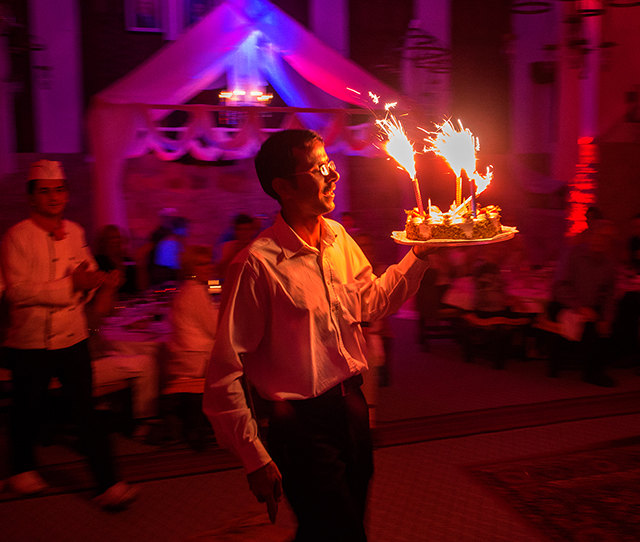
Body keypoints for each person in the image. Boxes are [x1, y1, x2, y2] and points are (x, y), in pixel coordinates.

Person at [203, 129, 433, 541]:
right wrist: (253, 456)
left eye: (331, 164)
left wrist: (418, 254)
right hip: (301, 424)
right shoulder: (256, 265)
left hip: (352, 409)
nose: (334, 175)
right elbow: (224, 371)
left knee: (333, 526)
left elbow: (371, 303)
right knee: (341, 532)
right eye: (319, 168)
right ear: (284, 187)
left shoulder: (337, 238)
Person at [0, 160, 137, 509]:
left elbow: (86, 269)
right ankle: (21, 470)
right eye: (45, 191)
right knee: (26, 409)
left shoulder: (75, 231)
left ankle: (108, 483)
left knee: (86, 410)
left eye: (59, 190)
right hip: (30, 342)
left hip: (73, 338)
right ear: (31, 198)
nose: (53, 197)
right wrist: (70, 285)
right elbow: (15, 291)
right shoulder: (17, 236)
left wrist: (97, 282)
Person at [549, 219, 617, 387]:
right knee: (589, 329)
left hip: (591, 308)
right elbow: (559, 287)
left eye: (608, 238)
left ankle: (602, 365)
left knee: (611, 325)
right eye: (600, 236)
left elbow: (609, 296)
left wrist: (607, 319)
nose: (602, 240)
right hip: (566, 303)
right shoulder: (573, 254)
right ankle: (592, 373)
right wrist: (579, 307)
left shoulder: (609, 264)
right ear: (591, 235)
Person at [166, 245, 217, 450]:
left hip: (185, 355)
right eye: (201, 264)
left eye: (209, 262)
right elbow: (215, 328)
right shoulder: (196, 292)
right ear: (191, 267)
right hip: (196, 359)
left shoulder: (188, 289)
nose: (208, 267)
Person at [94, 224, 139, 294]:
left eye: (118, 237)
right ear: (103, 242)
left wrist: (141, 266)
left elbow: (141, 288)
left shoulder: (129, 262)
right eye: (111, 238)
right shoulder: (98, 262)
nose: (116, 240)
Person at [216, 214, 260, 281]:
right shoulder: (227, 247)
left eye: (246, 230)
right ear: (236, 231)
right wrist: (235, 251)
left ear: (252, 231)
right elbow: (221, 273)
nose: (244, 233)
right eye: (240, 230)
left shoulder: (258, 248)